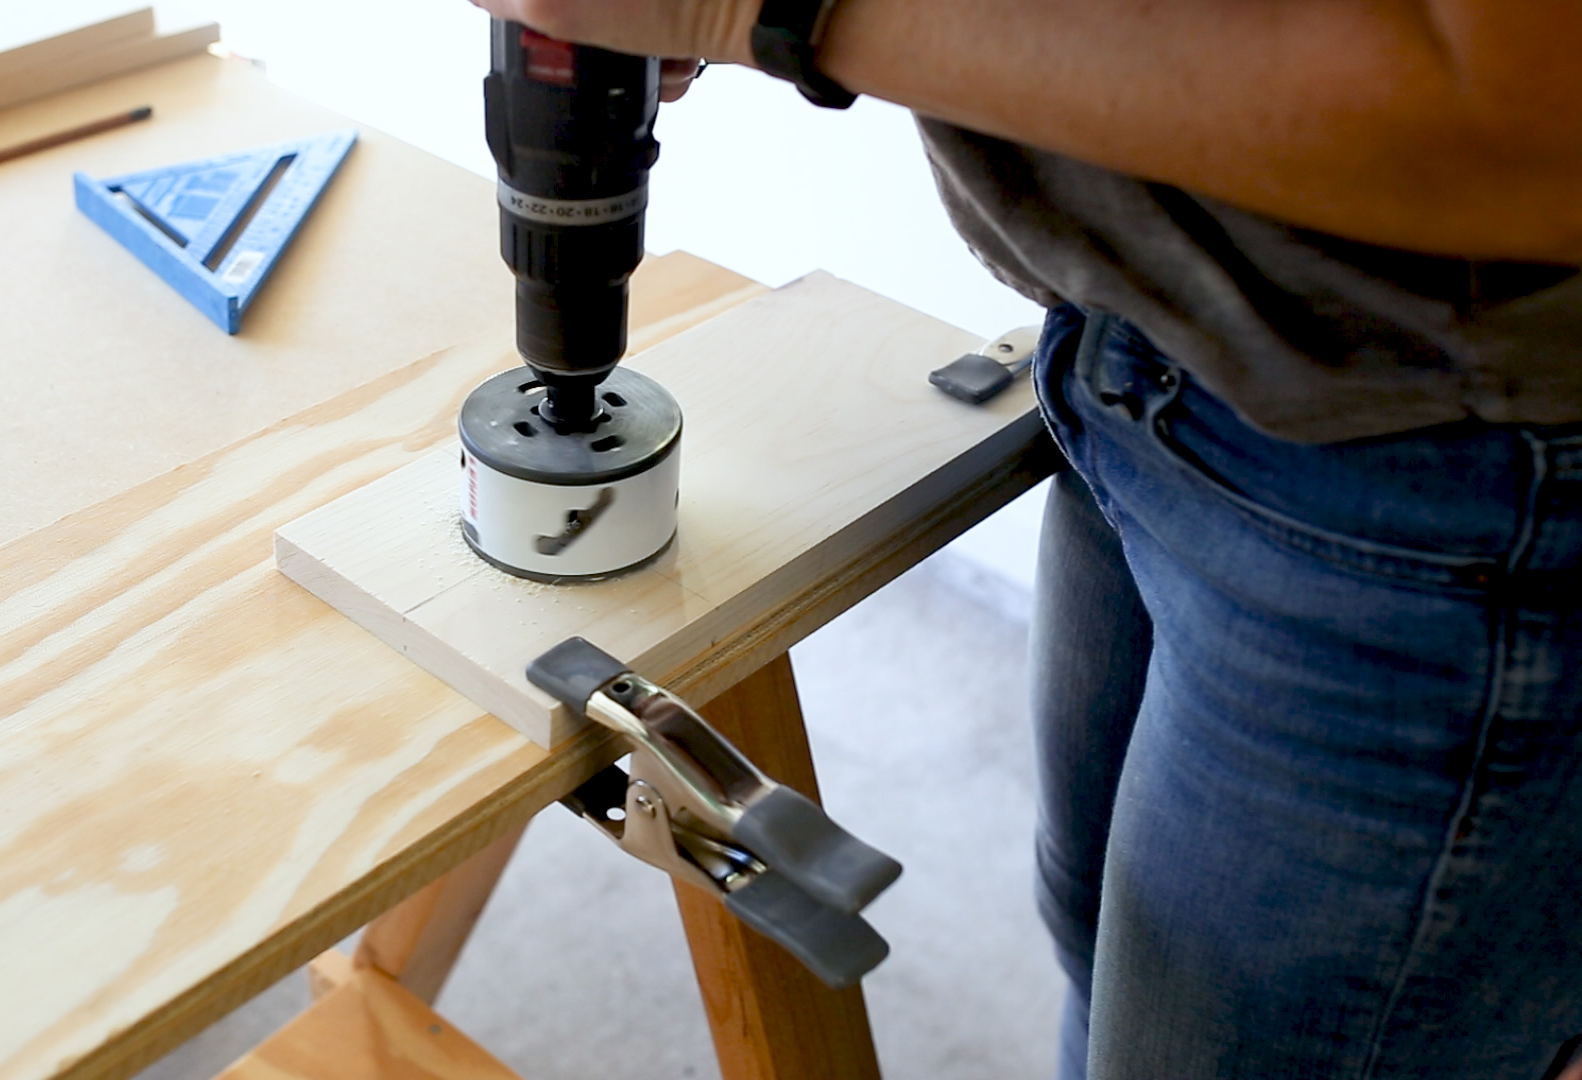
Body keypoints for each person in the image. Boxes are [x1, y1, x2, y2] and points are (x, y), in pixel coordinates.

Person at [463, 1, 1582, 1077]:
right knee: (1110, 948)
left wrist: (763, 8)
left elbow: (1531, 125)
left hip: (1428, 480)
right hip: (1136, 341)